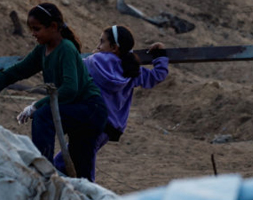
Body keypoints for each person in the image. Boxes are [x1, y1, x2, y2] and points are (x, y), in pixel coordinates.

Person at [0, 2, 107, 182]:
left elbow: (70, 89)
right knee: (79, 172)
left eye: (36, 29)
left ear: (53, 27)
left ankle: (42, 173)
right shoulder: (43, 50)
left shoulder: (66, 49)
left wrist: (36, 105)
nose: (33, 34)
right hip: (75, 108)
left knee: (44, 116)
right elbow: (20, 69)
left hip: (90, 109)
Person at [54, 25, 168, 176]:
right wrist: (160, 54)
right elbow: (157, 76)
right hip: (110, 129)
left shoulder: (93, 62)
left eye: (102, 42)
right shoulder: (132, 70)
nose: (98, 46)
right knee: (71, 161)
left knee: (74, 167)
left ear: (114, 47)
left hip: (91, 124)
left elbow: (71, 69)